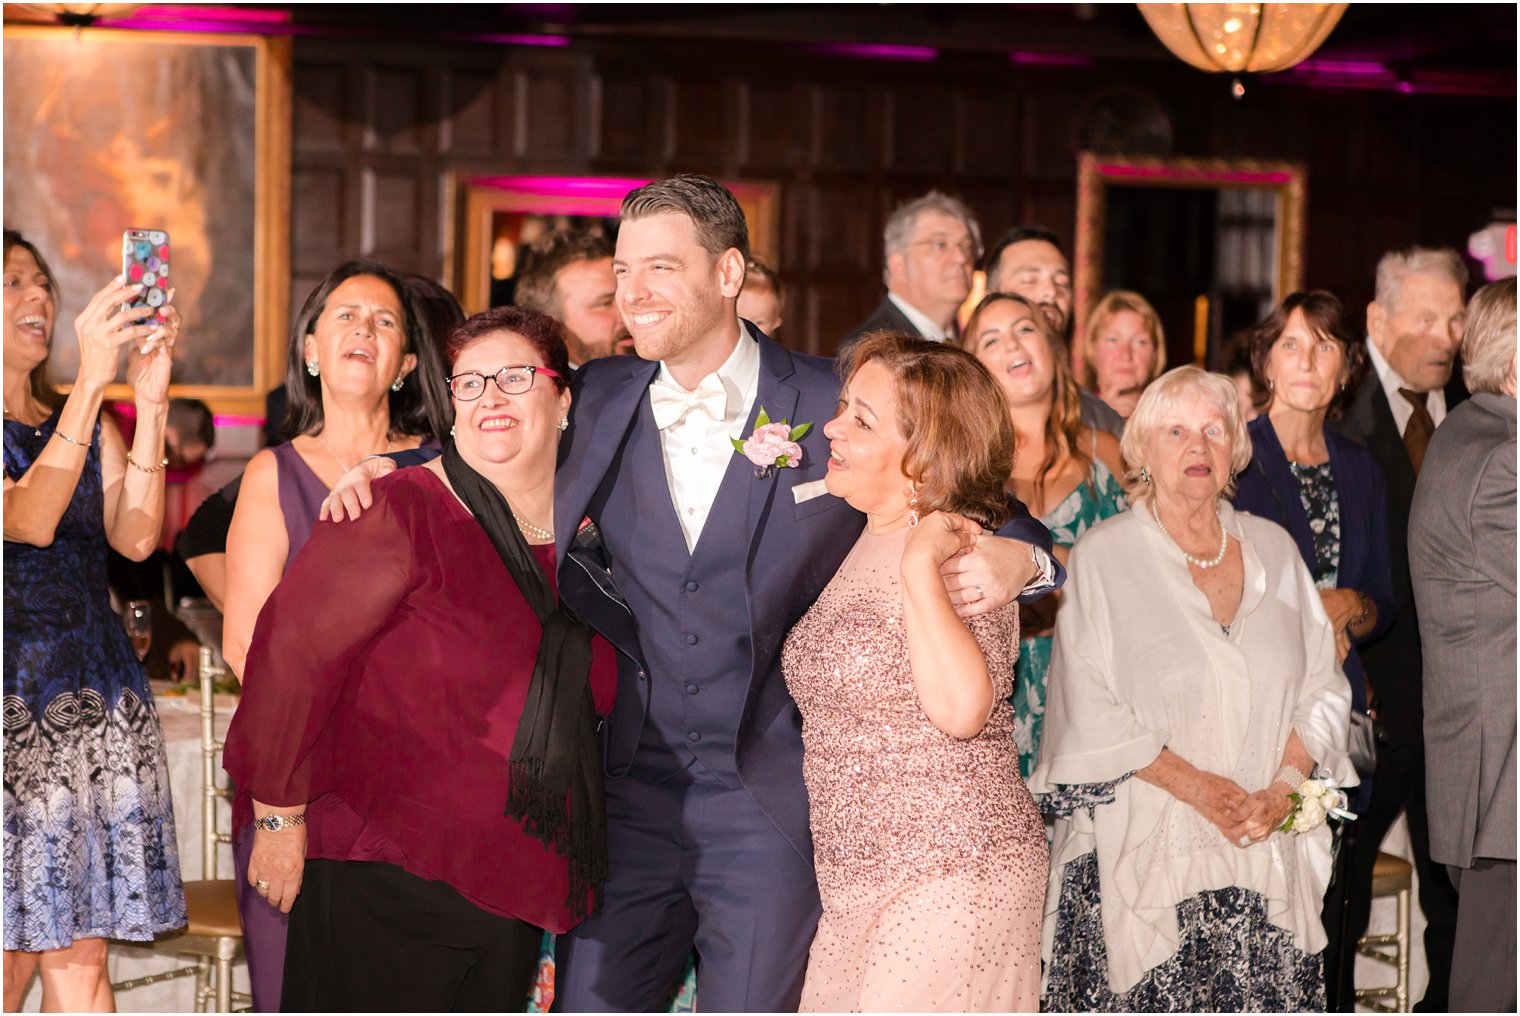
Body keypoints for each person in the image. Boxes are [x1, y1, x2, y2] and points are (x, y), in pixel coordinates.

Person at [322, 174, 1062, 1012]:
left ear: (728, 273)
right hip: (629, 793)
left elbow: (990, 501)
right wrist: (389, 468)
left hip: (768, 802)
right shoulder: (596, 398)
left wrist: (1025, 565)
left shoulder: (830, 401)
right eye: (624, 272)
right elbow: (490, 453)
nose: (632, 294)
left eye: (660, 269)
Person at [222, 306, 619, 1010]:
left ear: (563, 400)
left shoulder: (595, 542)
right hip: (385, 871)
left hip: (511, 879)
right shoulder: (397, 509)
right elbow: (290, 659)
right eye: (469, 383)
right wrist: (278, 817)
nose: (491, 397)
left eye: (516, 376)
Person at [1032, 366, 1355, 1010]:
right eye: (1175, 430)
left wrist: (1283, 793)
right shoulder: (1103, 557)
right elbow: (1087, 712)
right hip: (1148, 864)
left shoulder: (1276, 549)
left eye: (1214, 430)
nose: (1197, 446)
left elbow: (1322, 686)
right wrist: (1202, 790)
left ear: (1237, 448)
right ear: (1142, 450)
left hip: (1263, 860)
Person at [784, 332, 1046, 1011]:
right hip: (853, 883)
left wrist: (919, 567)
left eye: (861, 420)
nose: (833, 427)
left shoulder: (958, 552)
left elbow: (962, 711)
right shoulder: (855, 530)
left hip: (953, 873)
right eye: (844, 406)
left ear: (926, 462)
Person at [220, 260, 452, 1011]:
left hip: (422, 782)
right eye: (345, 315)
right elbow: (245, 646)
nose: (365, 329)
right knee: (299, 989)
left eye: (386, 322)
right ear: (311, 350)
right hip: (301, 778)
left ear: (407, 364)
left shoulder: (442, 468)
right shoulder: (272, 474)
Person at [3, 230, 186, 1010]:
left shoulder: (82, 419)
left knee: (82, 962)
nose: (39, 299)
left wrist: (147, 407)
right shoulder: (73, 411)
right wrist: (89, 385)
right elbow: (32, 516)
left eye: (44, 284)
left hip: (97, 702)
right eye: (13, 283)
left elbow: (137, 535)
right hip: (14, 709)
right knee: (10, 962)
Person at [1230, 291, 1396, 1003]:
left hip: (1344, 711)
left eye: (1325, 345)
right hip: (1256, 715)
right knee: (1265, 905)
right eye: (1292, 344)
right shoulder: (1235, 453)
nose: (1307, 360)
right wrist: (1304, 611)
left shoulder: (1360, 466)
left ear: (1346, 367)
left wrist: (1353, 607)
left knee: (1338, 904)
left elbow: (1385, 600)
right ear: (1266, 360)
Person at [1332, 246, 1464, 1011]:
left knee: (1457, 900)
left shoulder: (1481, 413)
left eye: (1454, 316)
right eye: (1425, 317)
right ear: (1378, 321)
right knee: (1341, 892)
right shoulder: (1341, 424)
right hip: (1376, 703)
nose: (1445, 335)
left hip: (1460, 717)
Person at [961, 292, 1125, 777]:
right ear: (976, 367)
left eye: (1025, 329)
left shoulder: (1112, 452)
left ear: (1052, 344)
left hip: (1102, 685)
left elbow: (1156, 567)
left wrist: (1042, 560)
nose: (1012, 343)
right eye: (992, 339)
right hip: (999, 692)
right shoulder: (967, 468)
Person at [1410, 277, 1516, 1013]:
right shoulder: (1503, 455)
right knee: (1493, 990)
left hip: (1492, 773)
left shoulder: (1470, 432)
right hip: (1504, 779)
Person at [983, 225, 1126, 437]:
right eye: (1030, 280)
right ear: (991, 297)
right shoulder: (959, 407)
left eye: (1062, 282)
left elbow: (1140, 471)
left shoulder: (1100, 419)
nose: (1051, 292)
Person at [841, 190, 980, 350]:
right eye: (939, 245)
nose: (961, 258)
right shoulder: (873, 348)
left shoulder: (970, 341)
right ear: (899, 267)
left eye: (967, 247)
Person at [514, 230, 627, 366]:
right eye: (605, 303)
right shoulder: (541, 386)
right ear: (555, 329)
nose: (628, 313)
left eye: (625, 296)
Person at [1080, 289, 1168, 420]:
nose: (1126, 355)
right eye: (1113, 340)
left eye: (1140, 342)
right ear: (1092, 348)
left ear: (1156, 354)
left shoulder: (1171, 418)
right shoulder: (1070, 415)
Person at [737, 254, 784, 339]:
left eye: (758, 322)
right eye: (737, 320)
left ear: (774, 325)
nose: (746, 329)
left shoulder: (771, 352)